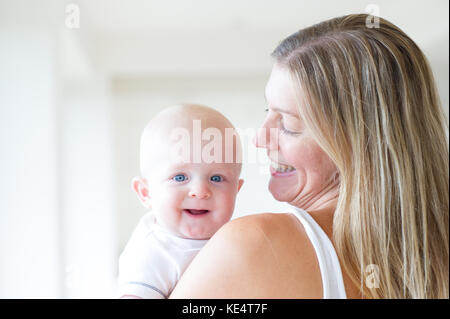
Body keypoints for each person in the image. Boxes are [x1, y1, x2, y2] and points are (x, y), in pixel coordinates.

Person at [169, 14, 449, 298]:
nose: (259, 138)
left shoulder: (255, 245)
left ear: (357, 145)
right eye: (269, 112)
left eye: (288, 125)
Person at [117, 104, 244, 298]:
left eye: (216, 178)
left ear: (236, 190)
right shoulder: (153, 253)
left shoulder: (239, 239)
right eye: (180, 177)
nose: (200, 192)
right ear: (146, 193)